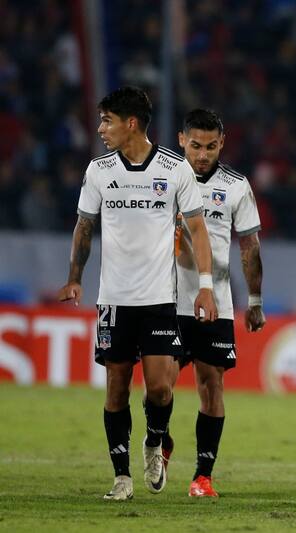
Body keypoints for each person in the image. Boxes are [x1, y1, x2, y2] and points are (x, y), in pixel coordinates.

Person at [57, 86, 217, 501]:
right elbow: (85, 226)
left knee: (161, 389)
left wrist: (204, 286)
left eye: (106, 120)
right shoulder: (99, 171)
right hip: (114, 299)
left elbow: (197, 228)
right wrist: (75, 275)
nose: (100, 129)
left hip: (160, 299)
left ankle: (154, 440)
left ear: (131, 124)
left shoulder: (174, 168)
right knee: (116, 387)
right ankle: (121, 477)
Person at [172, 108, 264, 497]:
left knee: (212, 387)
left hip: (217, 304)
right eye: (196, 145)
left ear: (222, 143)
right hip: (166, 299)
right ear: (182, 141)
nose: (203, 154)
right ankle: (158, 436)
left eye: (211, 146)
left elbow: (250, 246)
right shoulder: (162, 178)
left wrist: (255, 299)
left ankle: (202, 476)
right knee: (158, 387)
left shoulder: (237, 186)